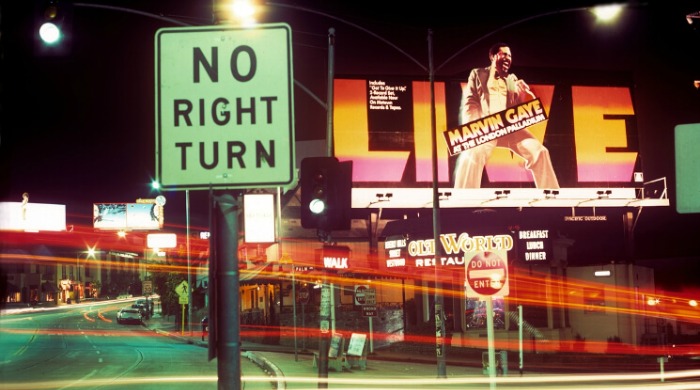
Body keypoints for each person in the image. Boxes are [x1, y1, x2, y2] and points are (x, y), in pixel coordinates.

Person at [453, 43, 559, 189]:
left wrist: (525, 93)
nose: (508, 58)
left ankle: (551, 196)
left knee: (540, 152)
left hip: (510, 129)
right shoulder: (478, 74)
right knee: (472, 155)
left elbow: (521, 109)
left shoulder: (512, 80)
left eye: (510, 55)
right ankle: (463, 199)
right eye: (504, 54)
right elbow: (470, 102)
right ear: (493, 56)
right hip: (487, 128)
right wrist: (473, 130)